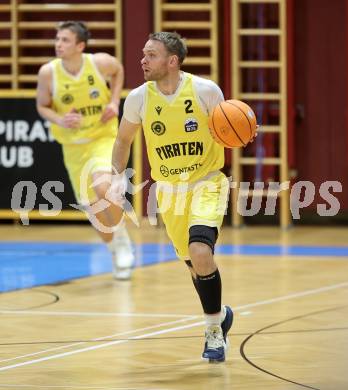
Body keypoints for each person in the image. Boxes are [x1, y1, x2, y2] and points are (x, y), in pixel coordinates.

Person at [110, 31, 247, 362]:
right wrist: (117, 178)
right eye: (143, 54)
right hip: (169, 192)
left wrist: (239, 131)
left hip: (206, 182)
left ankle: (213, 332)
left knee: (201, 250)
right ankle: (221, 315)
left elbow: (227, 131)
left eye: (151, 55)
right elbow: (123, 141)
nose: (143, 60)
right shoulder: (139, 98)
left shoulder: (204, 90)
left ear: (172, 61)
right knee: (194, 266)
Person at [36, 21, 135, 280]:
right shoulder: (48, 73)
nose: (59, 44)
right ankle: (114, 248)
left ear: (80, 46)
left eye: (65, 40)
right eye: (57, 39)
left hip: (103, 138)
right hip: (73, 147)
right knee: (96, 215)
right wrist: (60, 119)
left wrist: (114, 101)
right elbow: (42, 106)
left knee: (103, 187)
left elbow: (119, 69)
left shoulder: (99, 63)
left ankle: (123, 239)